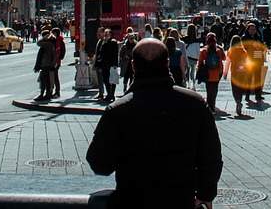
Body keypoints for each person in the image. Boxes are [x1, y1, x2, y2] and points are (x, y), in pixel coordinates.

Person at [86, 39, 222, 209]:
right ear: (166, 63)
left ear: (134, 66)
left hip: (132, 199)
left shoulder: (118, 111)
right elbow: (212, 156)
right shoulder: (195, 104)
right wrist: (206, 193)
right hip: (180, 199)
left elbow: (99, 163)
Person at [197, 32, 226, 112]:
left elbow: (200, 62)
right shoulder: (218, 50)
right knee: (214, 89)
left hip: (207, 73)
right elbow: (223, 59)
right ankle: (213, 104)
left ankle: (209, 106)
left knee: (208, 89)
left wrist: (199, 70)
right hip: (217, 72)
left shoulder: (204, 50)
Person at [226, 35, 253, 117]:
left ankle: (237, 102)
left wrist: (225, 72)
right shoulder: (243, 51)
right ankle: (239, 101)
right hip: (242, 72)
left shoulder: (230, 51)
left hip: (234, 71)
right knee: (240, 88)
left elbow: (228, 62)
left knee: (234, 88)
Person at [34, 30, 59, 100]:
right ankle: (47, 94)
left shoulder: (48, 44)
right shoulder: (51, 43)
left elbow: (38, 43)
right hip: (48, 64)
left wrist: (44, 38)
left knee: (44, 80)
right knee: (47, 80)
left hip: (46, 64)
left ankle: (44, 94)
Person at [183, 25, 202, 90]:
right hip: (194, 58)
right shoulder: (197, 40)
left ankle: (188, 84)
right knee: (193, 72)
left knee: (187, 71)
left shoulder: (185, 39)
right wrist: (199, 58)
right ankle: (193, 85)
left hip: (187, 57)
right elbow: (198, 50)